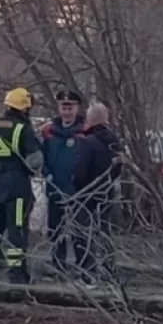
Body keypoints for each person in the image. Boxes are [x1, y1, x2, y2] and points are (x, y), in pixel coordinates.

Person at [0, 87, 43, 283]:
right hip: (17, 186)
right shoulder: (24, 130)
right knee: (17, 229)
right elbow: (35, 161)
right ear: (25, 108)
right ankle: (16, 273)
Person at [73, 102, 122, 283]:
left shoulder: (88, 142)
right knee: (104, 231)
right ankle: (109, 270)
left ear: (91, 119)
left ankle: (89, 273)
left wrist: (77, 188)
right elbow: (119, 167)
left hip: (87, 194)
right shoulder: (114, 141)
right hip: (107, 192)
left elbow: (80, 171)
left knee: (84, 233)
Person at [41, 89, 85, 273]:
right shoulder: (49, 130)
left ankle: (81, 265)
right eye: (64, 107)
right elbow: (40, 156)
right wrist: (46, 173)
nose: (67, 111)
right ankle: (58, 263)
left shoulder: (85, 130)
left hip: (79, 189)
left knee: (79, 230)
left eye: (71, 107)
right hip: (54, 186)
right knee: (55, 228)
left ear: (77, 108)